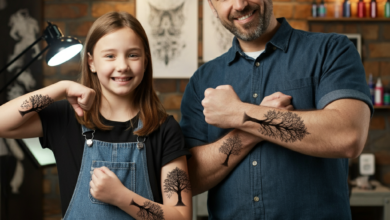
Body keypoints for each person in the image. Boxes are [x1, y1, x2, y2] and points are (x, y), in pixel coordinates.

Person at [180, 0, 372, 219]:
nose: (240, 4)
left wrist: (239, 114)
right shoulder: (202, 80)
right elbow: (187, 180)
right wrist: (248, 130)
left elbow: (348, 135)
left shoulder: (331, 50)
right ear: (212, 7)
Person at [0, 12, 192, 220]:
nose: (122, 66)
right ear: (91, 62)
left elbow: (181, 216)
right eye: (110, 56)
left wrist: (121, 197)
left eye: (133, 55)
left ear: (145, 60)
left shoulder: (165, 129)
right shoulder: (67, 117)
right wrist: (60, 88)